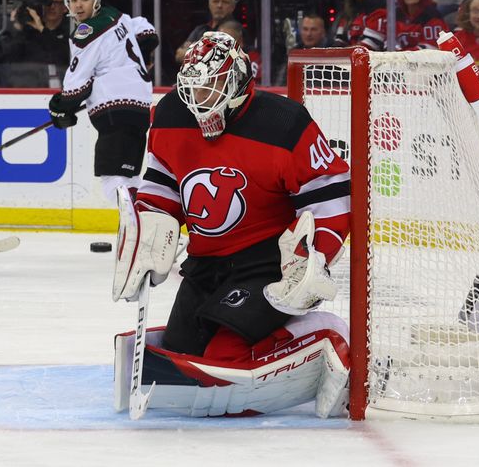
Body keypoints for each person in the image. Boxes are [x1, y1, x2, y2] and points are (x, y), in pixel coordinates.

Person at [112, 32, 351, 418]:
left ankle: (326, 331)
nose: (199, 101)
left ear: (238, 79)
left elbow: (330, 194)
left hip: (265, 264)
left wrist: (314, 258)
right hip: (205, 262)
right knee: (182, 358)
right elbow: (162, 181)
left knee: (227, 359)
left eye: (211, 88)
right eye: (193, 90)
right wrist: (148, 233)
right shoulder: (171, 113)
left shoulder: (284, 122)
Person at [47, 0, 158, 203]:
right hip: (139, 108)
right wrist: (138, 54)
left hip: (113, 110)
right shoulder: (117, 16)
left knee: (113, 179)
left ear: (96, 0)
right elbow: (148, 32)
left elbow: (77, 86)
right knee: (129, 176)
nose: (78, 5)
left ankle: (135, 228)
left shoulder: (86, 32)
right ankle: (140, 228)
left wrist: (60, 108)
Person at [360, 0, 448, 51]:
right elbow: (371, 43)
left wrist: (403, 56)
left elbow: (432, 49)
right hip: (394, 64)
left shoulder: (432, 16)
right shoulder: (394, 16)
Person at [174, 0, 237, 64]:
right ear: (209, 4)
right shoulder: (200, 30)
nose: (219, 5)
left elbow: (230, 58)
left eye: (225, 2)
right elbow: (179, 55)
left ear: (233, 6)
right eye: (216, 1)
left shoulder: (236, 30)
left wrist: (194, 53)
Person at [274, 13, 327, 85]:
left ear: (323, 32)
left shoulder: (334, 54)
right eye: (305, 29)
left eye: (313, 30)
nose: (309, 34)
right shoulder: (294, 54)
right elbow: (280, 83)